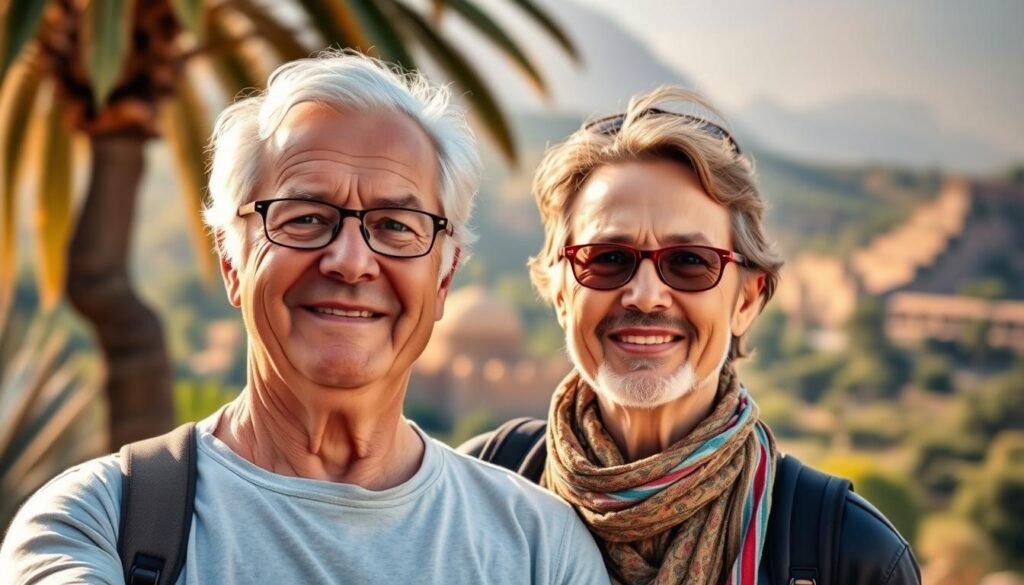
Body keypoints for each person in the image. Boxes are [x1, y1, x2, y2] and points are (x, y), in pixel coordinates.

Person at [0, 52, 609, 585]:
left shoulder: (539, 547)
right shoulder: (98, 523)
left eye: (396, 226)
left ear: (444, 277)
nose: (350, 261)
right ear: (233, 264)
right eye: (304, 217)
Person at [461, 87, 921, 584]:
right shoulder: (477, 493)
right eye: (608, 258)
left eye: (689, 263)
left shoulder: (848, 553)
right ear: (559, 293)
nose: (645, 295)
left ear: (745, 301)